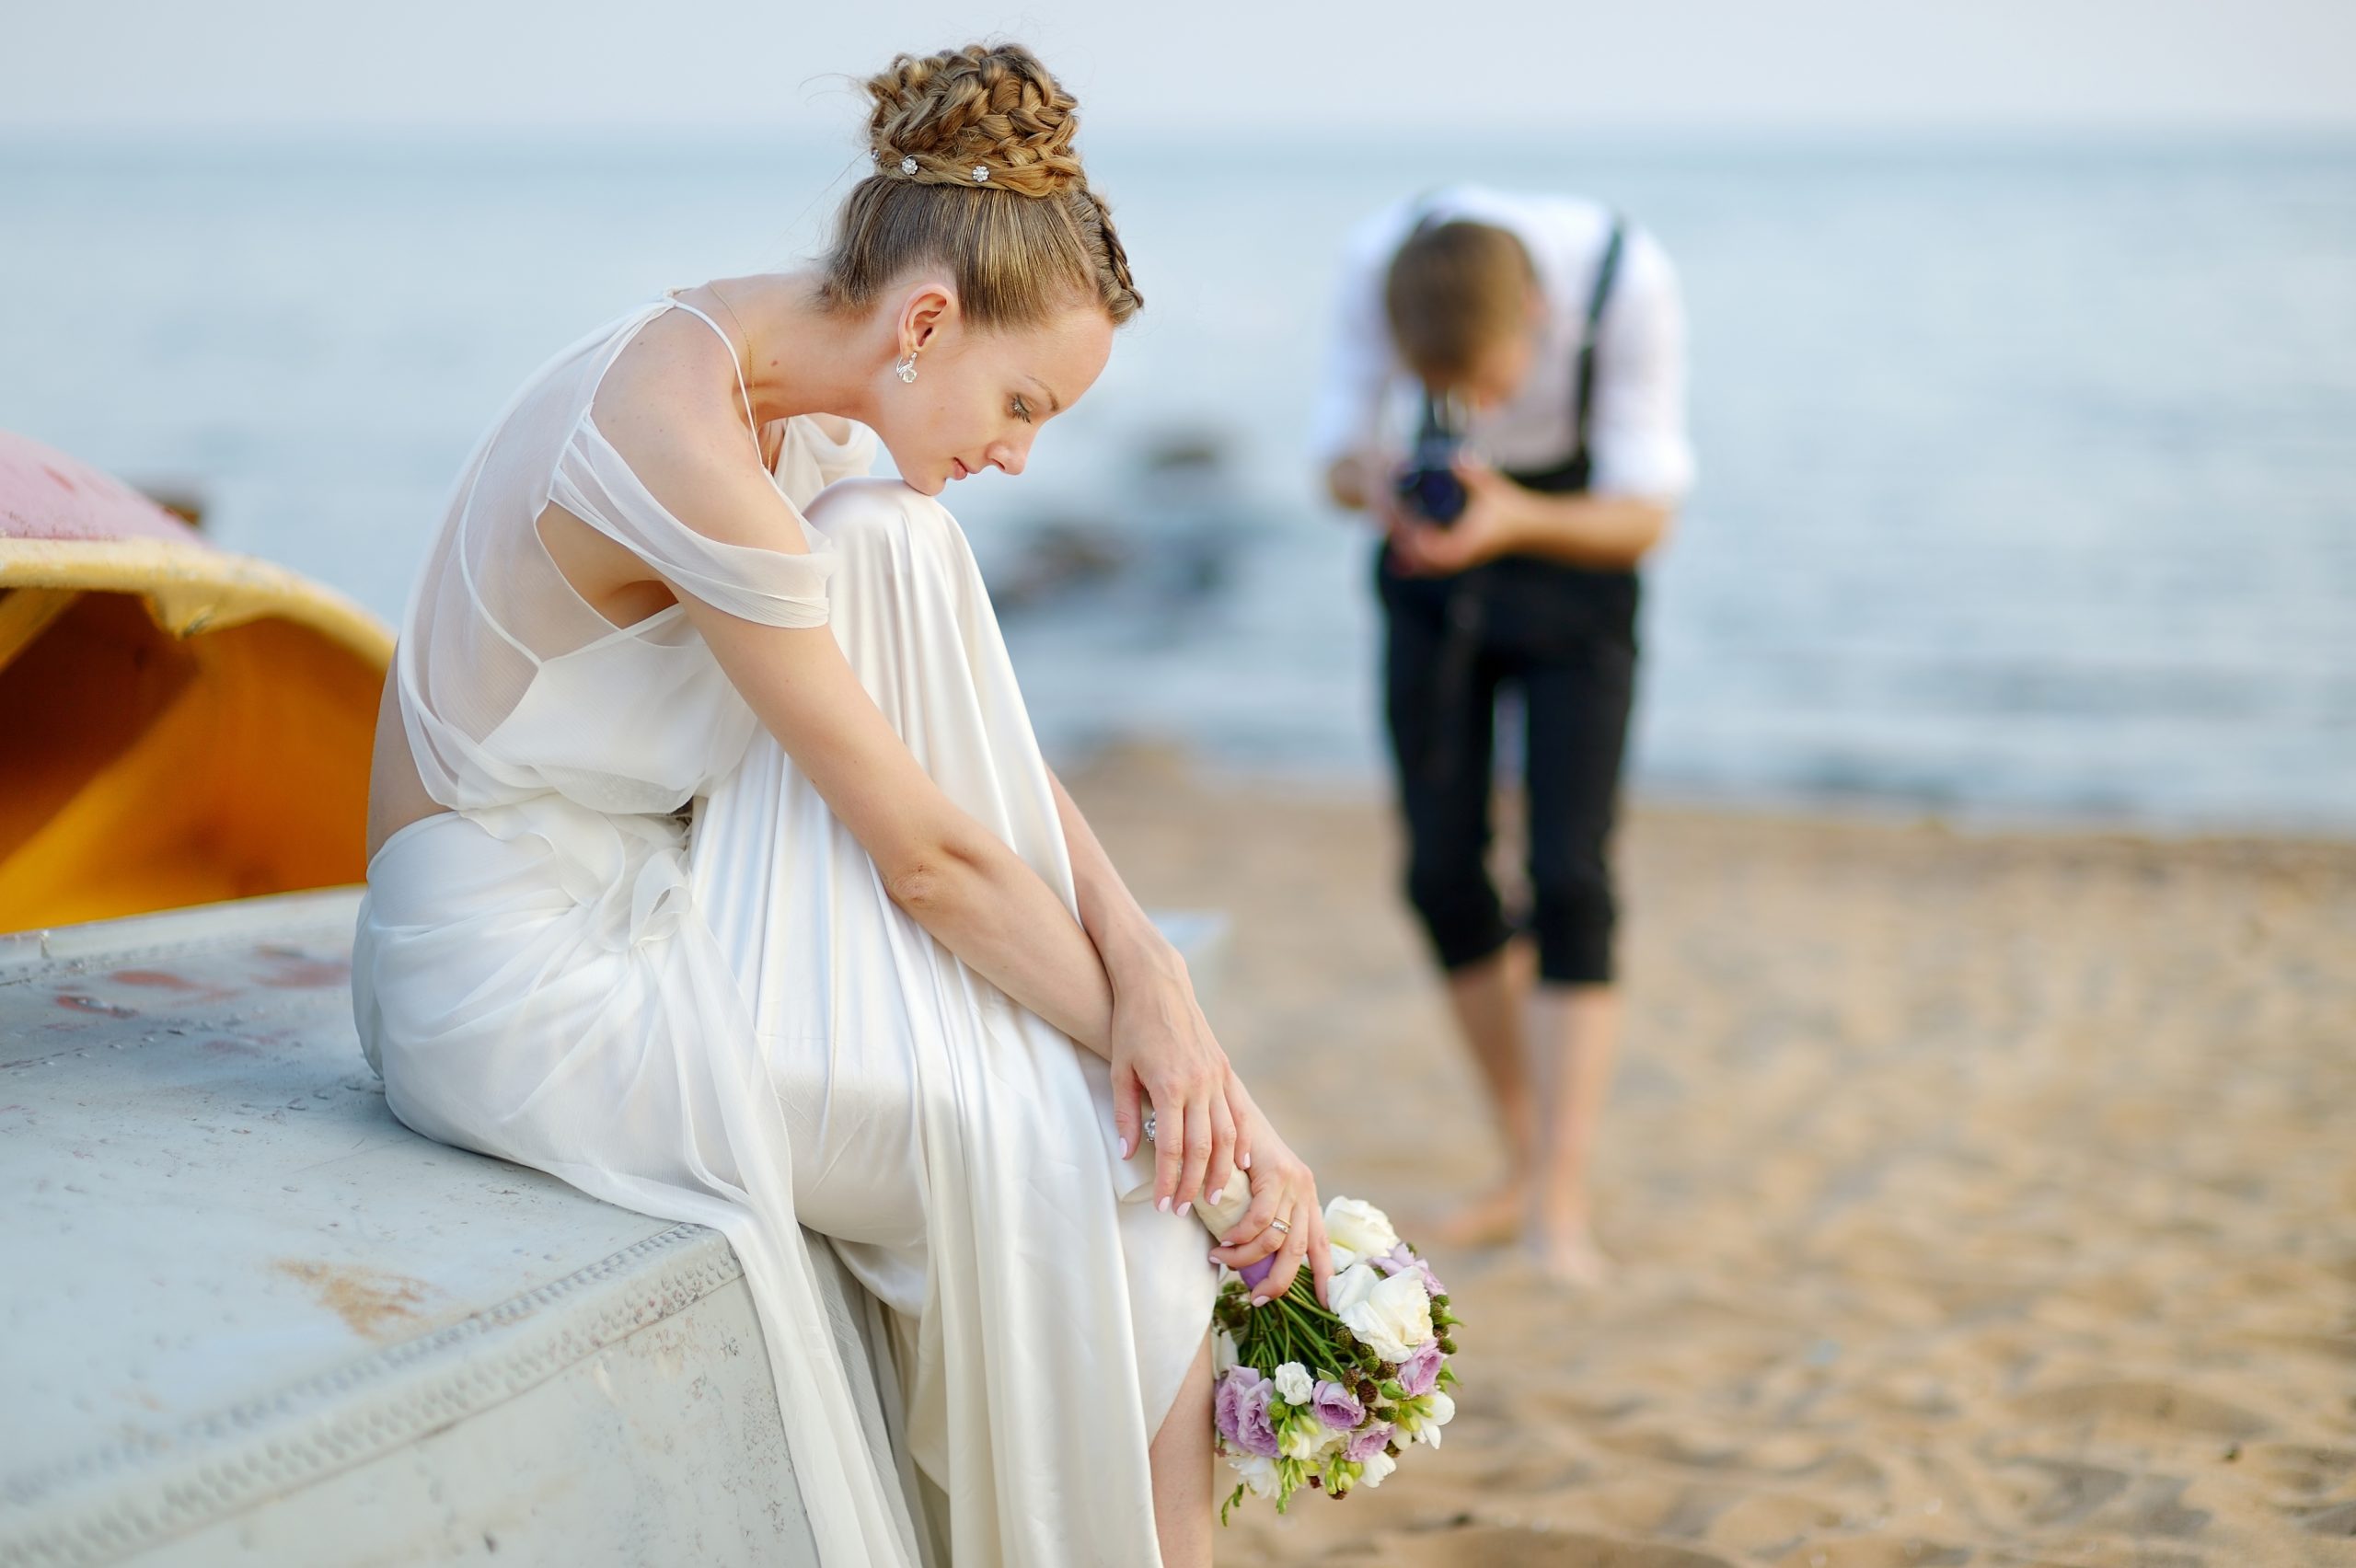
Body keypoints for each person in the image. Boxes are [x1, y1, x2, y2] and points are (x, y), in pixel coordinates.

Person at [351, 43, 1334, 1568]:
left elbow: (969, 763)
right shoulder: (677, 438)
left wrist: (1156, 978)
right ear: (925, 317)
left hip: (669, 899)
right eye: (1022, 401)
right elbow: (933, 858)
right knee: (1090, 1161)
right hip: (515, 972)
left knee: (1118, 1154)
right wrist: (1216, 1106)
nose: (1018, 451)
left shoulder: (819, 421)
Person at [1310, 185, 1694, 1286]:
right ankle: (1523, 1161)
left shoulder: (1628, 279)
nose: (1470, 407)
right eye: (1445, 391)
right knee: (1439, 874)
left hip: (1582, 565)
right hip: (1429, 573)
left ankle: (1555, 1200)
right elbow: (1331, 461)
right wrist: (1376, 480)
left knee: (1571, 876)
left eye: (1482, 386)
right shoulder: (1376, 256)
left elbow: (1648, 516)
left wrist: (1513, 515)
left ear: (1538, 317)